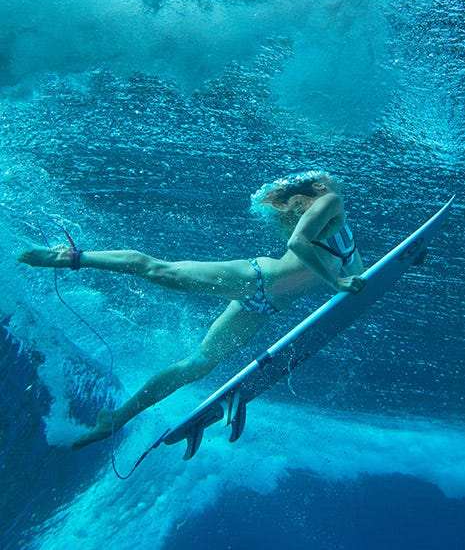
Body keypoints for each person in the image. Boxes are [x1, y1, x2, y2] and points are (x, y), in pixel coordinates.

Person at [19, 171, 366, 448]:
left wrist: (354, 282)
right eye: (334, 180)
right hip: (254, 279)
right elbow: (297, 243)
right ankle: (72, 257)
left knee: (197, 365)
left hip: (264, 308)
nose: (341, 184)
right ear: (320, 186)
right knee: (161, 271)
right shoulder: (331, 200)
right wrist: (337, 284)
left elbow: (360, 277)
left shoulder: (344, 231)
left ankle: (115, 418)